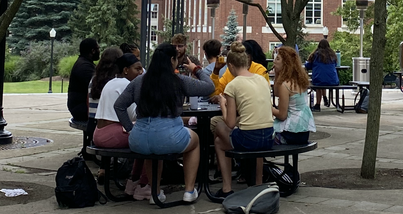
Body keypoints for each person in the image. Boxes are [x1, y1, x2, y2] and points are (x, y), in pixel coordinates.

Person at [114, 43, 214, 204]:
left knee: (151, 153)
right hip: (168, 135)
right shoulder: (179, 81)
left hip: (139, 138)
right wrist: (196, 69)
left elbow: (119, 105)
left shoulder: (139, 81)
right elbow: (209, 87)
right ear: (172, 60)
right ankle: (189, 190)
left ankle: (155, 192)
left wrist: (129, 128)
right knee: (195, 141)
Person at [212, 43, 274, 200]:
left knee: (219, 131)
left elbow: (230, 123)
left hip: (249, 139)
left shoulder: (233, 85)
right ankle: (257, 184)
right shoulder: (261, 80)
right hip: (268, 137)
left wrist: (223, 105)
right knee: (226, 138)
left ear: (231, 66)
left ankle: (226, 188)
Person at [93, 53, 153, 199]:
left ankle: (134, 181)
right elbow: (135, 114)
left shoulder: (112, 82)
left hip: (99, 132)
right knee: (150, 140)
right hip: (112, 134)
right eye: (137, 69)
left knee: (140, 139)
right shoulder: (127, 85)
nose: (140, 72)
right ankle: (145, 184)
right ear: (126, 70)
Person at [272, 46, 316, 145]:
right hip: (303, 130)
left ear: (286, 63)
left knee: (258, 138)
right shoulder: (300, 81)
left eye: (278, 59)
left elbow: (282, 115)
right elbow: (276, 93)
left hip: (290, 133)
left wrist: (267, 107)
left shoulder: (285, 85)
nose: (274, 61)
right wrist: (277, 74)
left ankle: (257, 161)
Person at [67, 38, 100, 121]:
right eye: (98, 49)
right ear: (93, 51)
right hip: (81, 109)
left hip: (79, 106)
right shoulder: (84, 67)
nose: (99, 51)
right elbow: (95, 86)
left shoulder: (84, 63)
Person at [305, 39, 338, 111]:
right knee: (324, 79)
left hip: (319, 80)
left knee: (319, 83)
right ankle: (325, 97)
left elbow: (308, 65)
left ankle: (318, 104)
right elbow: (335, 64)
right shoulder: (332, 55)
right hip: (333, 80)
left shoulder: (315, 55)